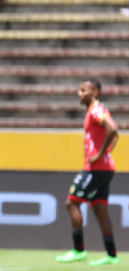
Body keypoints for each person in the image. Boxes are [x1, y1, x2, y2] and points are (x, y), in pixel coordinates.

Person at [56, 79, 120, 266]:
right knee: (100, 210)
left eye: (83, 90)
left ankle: (78, 251)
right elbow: (115, 134)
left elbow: (113, 129)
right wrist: (106, 152)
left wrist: (100, 154)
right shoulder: (95, 110)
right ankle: (112, 255)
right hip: (106, 168)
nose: (79, 93)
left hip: (96, 169)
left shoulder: (96, 110)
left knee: (71, 202)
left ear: (94, 93)